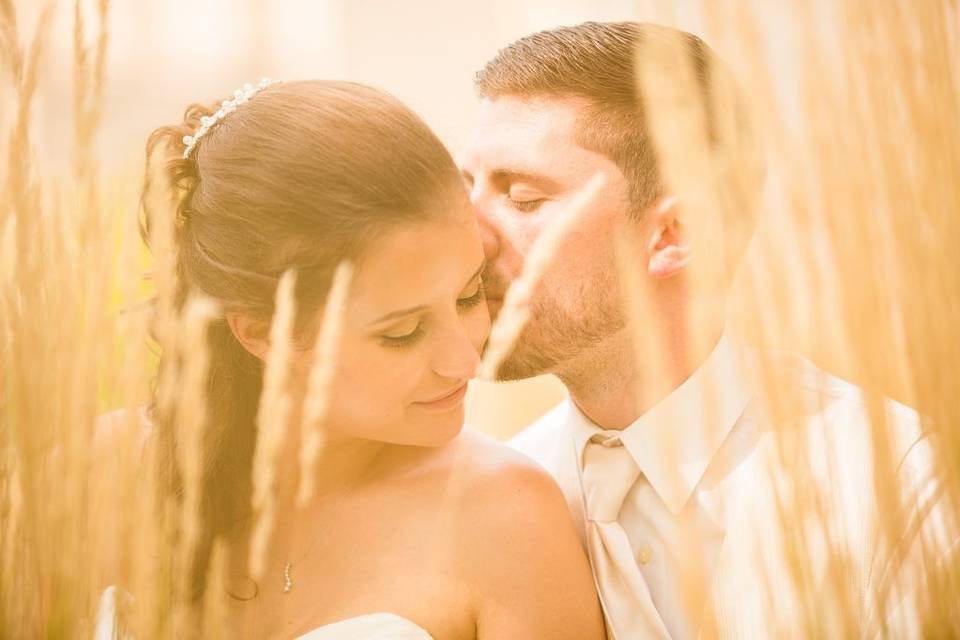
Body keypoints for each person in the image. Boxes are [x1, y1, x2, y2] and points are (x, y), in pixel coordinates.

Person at [462, 21, 954, 639]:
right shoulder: (495, 498)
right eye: (467, 193)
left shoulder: (891, 484)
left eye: (524, 198)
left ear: (675, 232)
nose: (466, 240)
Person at [101, 79, 605, 639]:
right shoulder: (101, 473)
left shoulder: (505, 514)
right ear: (264, 334)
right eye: (402, 332)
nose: (466, 361)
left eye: (467, 296)